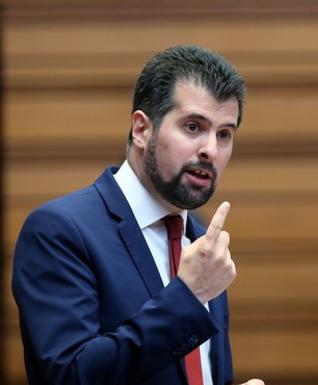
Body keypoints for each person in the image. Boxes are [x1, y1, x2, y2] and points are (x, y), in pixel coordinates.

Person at [12, 45, 263, 385]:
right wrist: (187, 297)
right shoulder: (60, 231)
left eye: (224, 134)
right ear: (142, 129)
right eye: (192, 127)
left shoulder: (201, 244)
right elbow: (70, 376)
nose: (211, 150)